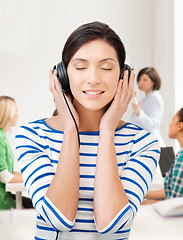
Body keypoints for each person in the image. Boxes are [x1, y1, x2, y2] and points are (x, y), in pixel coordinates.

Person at [15, 21, 160, 240]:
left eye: (107, 67)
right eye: (81, 67)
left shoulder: (143, 142)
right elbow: (58, 218)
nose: (93, 79)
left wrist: (107, 130)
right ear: (62, 75)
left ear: (123, 77)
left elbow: (111, 223)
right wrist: (71, 131)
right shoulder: (32, 135)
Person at [142, 108, 183, 205]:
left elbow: (175, 203)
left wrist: (145, 203)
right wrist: (143, 195)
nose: (170, 124)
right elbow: (168, 191)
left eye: (173, 119)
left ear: (180, 125)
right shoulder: (179, 155)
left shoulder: (181, 159)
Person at [0, 96, 32, 209]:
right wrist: (31, 177)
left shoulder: (3, 136)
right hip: (2, 200)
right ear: (7, 114)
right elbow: (5, 177)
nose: (17, 115)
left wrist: (26, 174)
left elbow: (6, 170)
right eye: (16, 111)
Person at [131, 67, 165, 147]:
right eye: (139, 79)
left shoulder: (154, 97)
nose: (141, 83)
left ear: (153, 81)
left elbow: (151, 125)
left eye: (145, 79)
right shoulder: (145, 98)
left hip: (153, 145)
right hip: (146, 143)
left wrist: (138, 111)